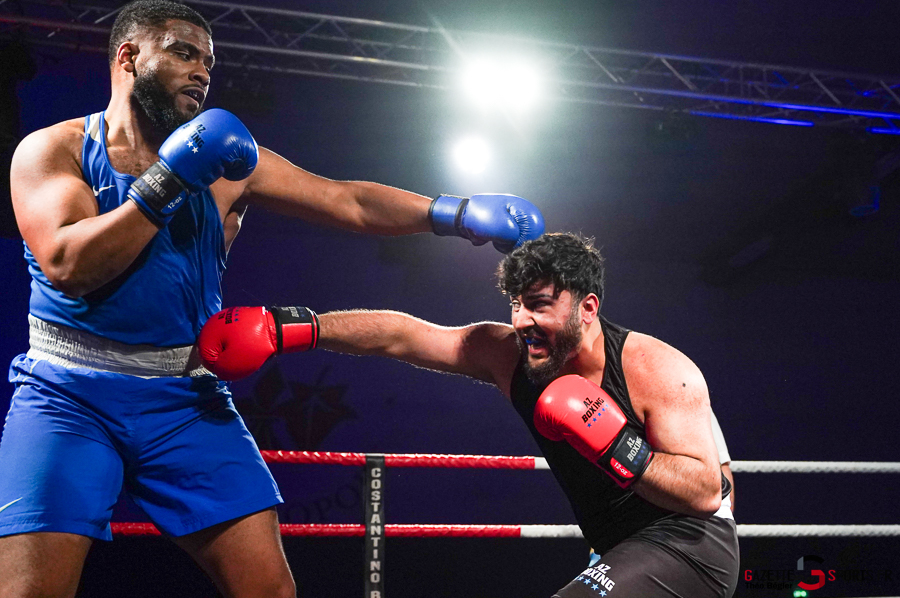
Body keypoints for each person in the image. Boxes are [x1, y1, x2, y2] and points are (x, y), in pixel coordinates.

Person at [0, 0, 544, 597]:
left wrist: (451, 213)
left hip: (184, 397)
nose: (201, 71)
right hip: (68, 395)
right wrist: (172, 179)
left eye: (208, 61)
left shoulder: (228, 165)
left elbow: (345, 200)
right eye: (183, 53)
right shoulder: (54, 151)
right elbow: (68, 264)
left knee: (271, 593)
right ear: (129, 57)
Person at [200, 232, 739, 597]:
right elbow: (403, 335)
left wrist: (621, 444)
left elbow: (706, 491)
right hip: (618, 548)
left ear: (588, 307)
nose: (522, 319)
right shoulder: (508, 356)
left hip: (691, 544)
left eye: (540, 304)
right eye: (515, 303)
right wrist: (296, 328)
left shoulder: (657, 367)